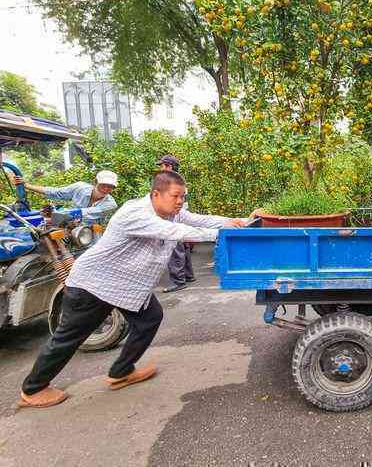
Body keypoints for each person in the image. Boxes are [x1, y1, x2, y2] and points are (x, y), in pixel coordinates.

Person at [18, 170, 249, 408]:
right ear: (156, 194)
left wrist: (237, 221)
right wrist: (224, 233)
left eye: (183, 196)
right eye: (176, 196)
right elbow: (178, 233)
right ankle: (33, 389)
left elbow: (198, 220)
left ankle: (121, 372)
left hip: (125, 286)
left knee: (150, 318)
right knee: (69, 337)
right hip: (94, 285)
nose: (180, 201)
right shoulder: (136, 213)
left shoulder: (172, 213)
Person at [15, 170, 118, 223]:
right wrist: (27, 185)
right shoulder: (80, 187)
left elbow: (84, 213)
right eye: (103, 185)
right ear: (95, 182)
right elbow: (56, 192)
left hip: (88, 234)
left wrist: (55, 215)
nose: (106, 189)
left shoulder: (110, 204)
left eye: (110, 186)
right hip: (66, 226)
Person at [155, 155, 194, 293]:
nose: (161, 168)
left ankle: (178, 281)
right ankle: (188, 275)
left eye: (162, 165)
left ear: (169, 166)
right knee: (183, 245)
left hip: (174, 215)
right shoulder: (178, 179)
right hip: (180, 214)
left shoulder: (171, 181)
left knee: (174, 247)